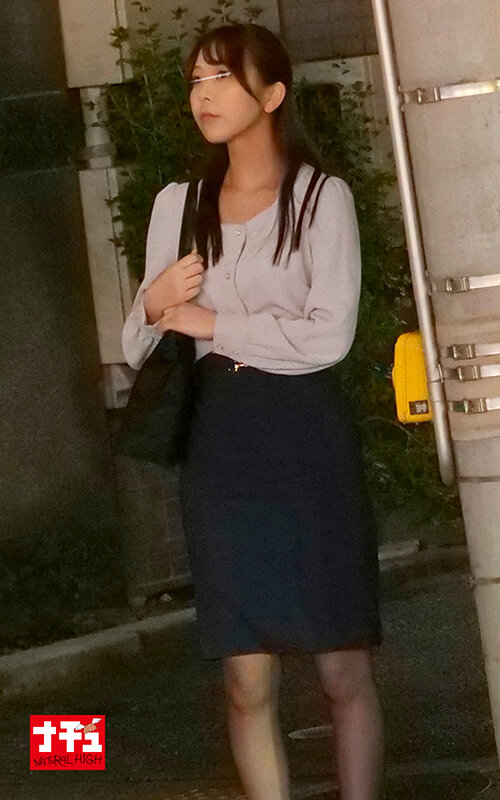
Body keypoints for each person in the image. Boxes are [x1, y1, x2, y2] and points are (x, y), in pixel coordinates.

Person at [122, 22, 384, 800]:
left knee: (342, 667)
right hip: (222, 439)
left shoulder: (320, 198)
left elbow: (329, 335)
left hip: (306, 432)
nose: (202, 95)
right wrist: (155, 302)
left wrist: (212, 320)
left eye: (221, 80)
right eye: (195, 81)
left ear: (271, 95)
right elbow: (137, 344)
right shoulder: (178, 206)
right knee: (245, 676)